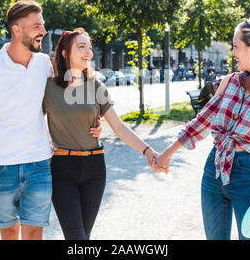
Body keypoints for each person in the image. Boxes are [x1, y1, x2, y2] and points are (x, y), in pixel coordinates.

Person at [0, 0, 101, 240]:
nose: (43, 31)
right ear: (17, 29)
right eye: (36, 26)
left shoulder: (45, 64)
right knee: (10, 233)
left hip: (39, 163)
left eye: (42, 26)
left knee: (34, 232)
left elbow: (67, 95)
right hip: (1, 165)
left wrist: (94, 120)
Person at [154, 16, 250, 240]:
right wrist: (166, 153)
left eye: (235, 47)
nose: (232, 53)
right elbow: (202, 121)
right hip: (213, 171)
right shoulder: (229, 81)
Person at [43, 28, 164, 240]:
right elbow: (27, 116)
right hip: (63, 169)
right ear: (64, 53)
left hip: (94, 168)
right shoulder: (48, 88)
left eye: (89, 47)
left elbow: (118, 127)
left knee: (84, 237)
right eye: (81, 47)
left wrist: (147, 150)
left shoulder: (95, 86)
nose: (88, 51)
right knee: (77, 238)